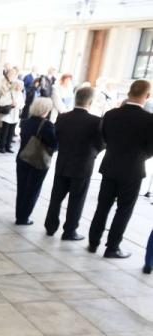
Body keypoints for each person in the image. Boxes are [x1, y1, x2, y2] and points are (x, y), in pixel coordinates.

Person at [88, 80, 153, 258]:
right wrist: (139, 157)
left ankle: (93, 242)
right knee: (124, 209)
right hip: (133, 170)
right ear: (147, 96)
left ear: (129, 92)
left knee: (102, 206)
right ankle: (112, 247)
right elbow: (151, 148)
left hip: (110, 165)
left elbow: (104, 137)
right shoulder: (149, 120)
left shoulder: (111, 114)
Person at [44, 87, 104, 240]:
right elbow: (101, 143)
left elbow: (56, 137)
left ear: (76, 98)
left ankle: (50, 227)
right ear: (90, 102)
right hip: (82, 166)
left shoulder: (63, 117)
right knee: (76, 200)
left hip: (63, 163)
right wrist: (93, 153)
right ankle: (69, 231)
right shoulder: (96, 121)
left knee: (56, 198)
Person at [15, 97, 58, 225]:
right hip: (38, 161)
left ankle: (19, 215)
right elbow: (54, 145)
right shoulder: (47, 125)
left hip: (23, 158)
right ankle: (24, 218)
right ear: (46, 110)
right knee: (32, 190)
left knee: (22, 188)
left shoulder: (25, 122)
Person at [0, 79, 25, 153]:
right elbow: (0, 102)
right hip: (7, 116)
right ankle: (2, 147)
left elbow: (22, 104)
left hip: (15, 116)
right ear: (15, 85)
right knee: (4, 132)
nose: (19, 87)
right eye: (18, 85)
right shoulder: (9, 93)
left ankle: (8, 146)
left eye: (20, 86)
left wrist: (17, 105)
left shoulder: (20, 94)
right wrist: (10, 103)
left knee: (11, 133)